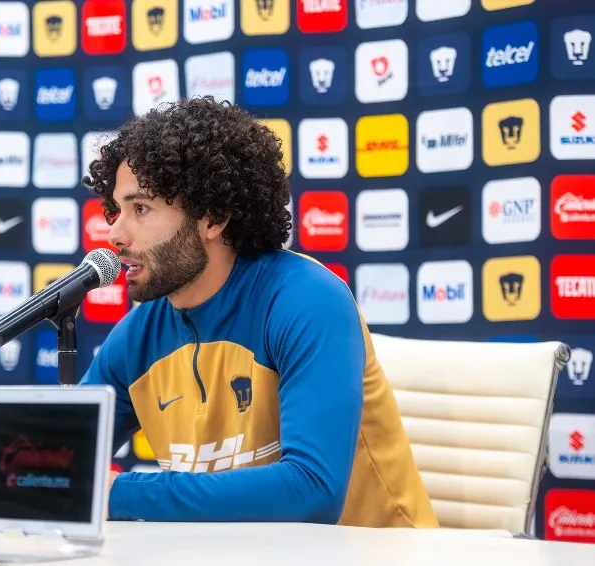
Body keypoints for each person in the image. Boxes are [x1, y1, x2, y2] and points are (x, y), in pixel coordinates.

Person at [78, 96, 438, 528]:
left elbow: (312, 491)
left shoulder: (306, 300)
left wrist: (121, 493)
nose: (114, 232)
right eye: (115, 210)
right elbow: (64, 461)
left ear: (213, 218)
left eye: (140, 208)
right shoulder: (137, 335)